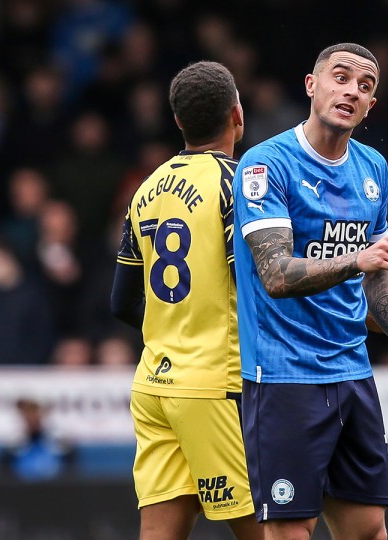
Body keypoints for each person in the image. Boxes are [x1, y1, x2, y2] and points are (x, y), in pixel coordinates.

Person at [232, 43, 388, 540]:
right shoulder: (265, 165)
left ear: (371, 105)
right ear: (312, 84)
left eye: (365, 86)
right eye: (341, 77)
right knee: (290, 528)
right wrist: (356, 259)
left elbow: (377, 271)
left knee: (367, 527)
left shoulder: (373, 169)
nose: (351, 90)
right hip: (284, 375)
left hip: (352, 369)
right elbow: (275, 274)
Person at [110, 61, 261, 540]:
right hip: (215, 385)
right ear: (237, 115)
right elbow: (258, 286)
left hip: (154, 384)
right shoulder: (236, 185)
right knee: (272, 529)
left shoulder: (146, 190)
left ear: (178, 120)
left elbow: (121, 302)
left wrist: (176, 329)